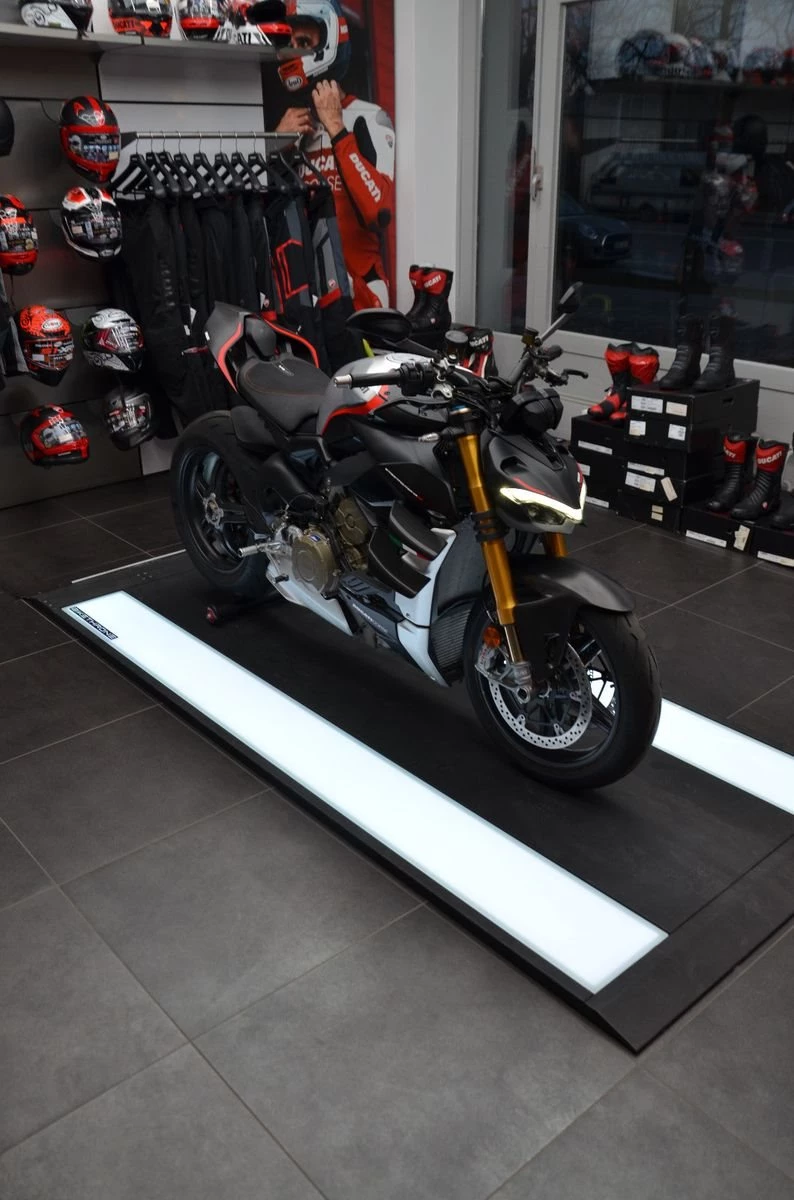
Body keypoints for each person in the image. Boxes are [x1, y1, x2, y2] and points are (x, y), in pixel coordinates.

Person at [274, 0, 395, 309]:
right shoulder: (293, 126)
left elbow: (378, 211)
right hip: (310, 293)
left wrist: (338, 130)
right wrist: (275, 146)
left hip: (361, 294)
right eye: (289, 43)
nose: (294, 52)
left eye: (304, 42)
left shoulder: (369, 117)